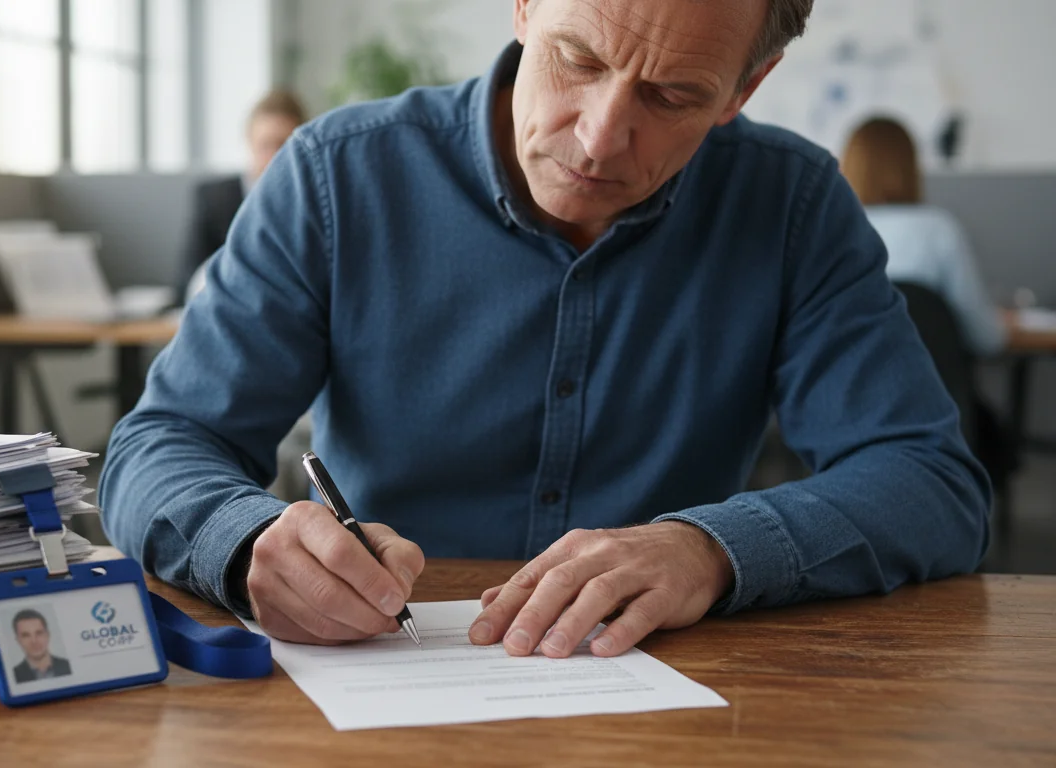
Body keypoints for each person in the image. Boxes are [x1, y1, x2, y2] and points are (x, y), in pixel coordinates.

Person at [101, 0, 989, 660]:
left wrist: (711, 549)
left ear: (743, 89)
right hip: (382, 673)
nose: (601, 138)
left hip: (669, 690)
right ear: (524, 6)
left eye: (673, 95)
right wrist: (251, 540)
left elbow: (930, 482)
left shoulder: (792, 206)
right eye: (577, 59)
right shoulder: (337, 180)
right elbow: (161, 443)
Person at [841, 116, 1007, 356]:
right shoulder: (938, 229)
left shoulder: (833, 229)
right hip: (932, 388)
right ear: (911, 167)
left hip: (849, 389)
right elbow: (987, 338)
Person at [183, 89, 308, 301]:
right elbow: (187, 279)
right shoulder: (215, 199)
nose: (274, 156)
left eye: (283, 145)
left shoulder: (312, 204)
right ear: (249, 141)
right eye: (266, 145)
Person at [11, 609, 72, 683]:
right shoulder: (13, 676)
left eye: (39, 633)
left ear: (48, 635)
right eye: (26, 635)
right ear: (18, 640)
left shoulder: (68, 666)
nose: (34, 641)